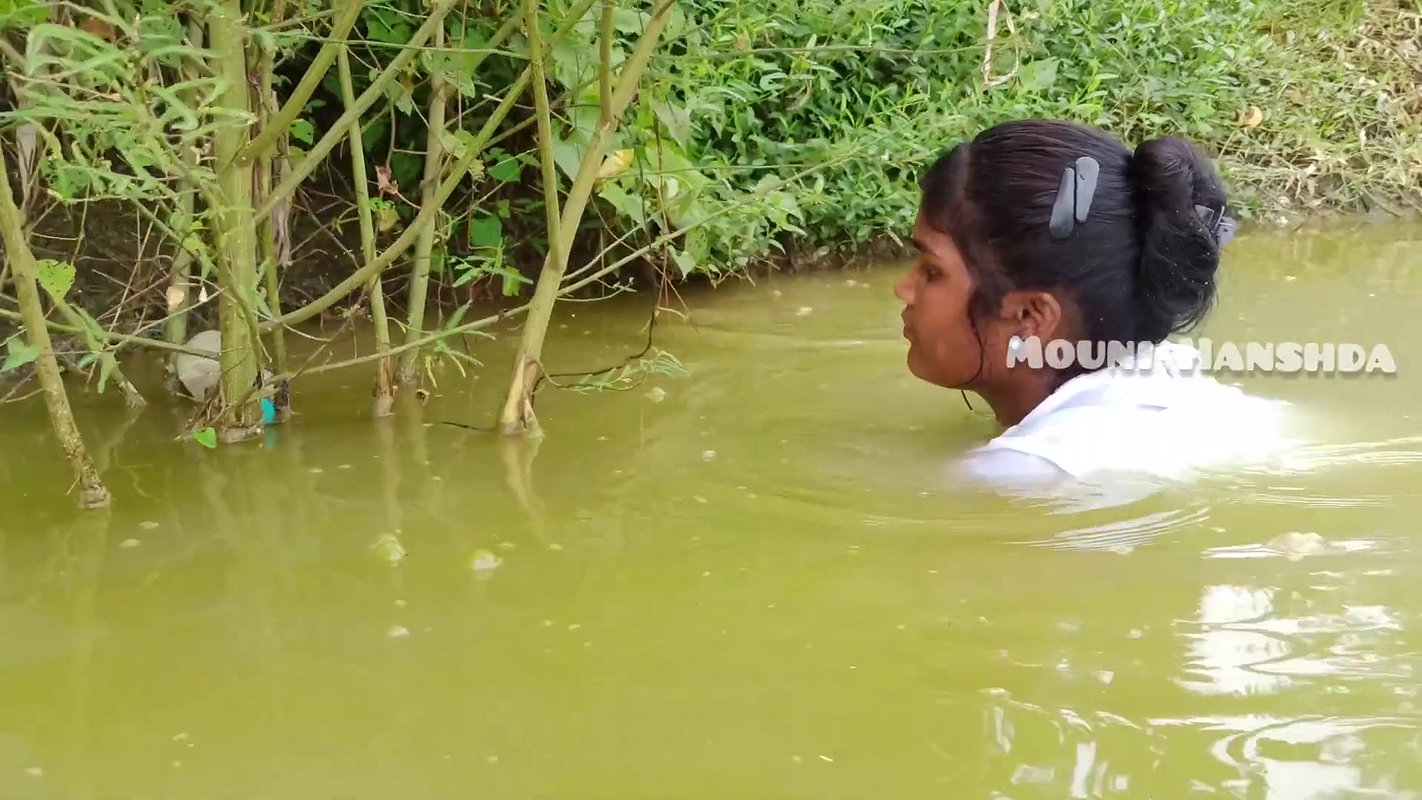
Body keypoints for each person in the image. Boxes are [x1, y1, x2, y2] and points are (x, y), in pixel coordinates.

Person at [894, 119, 1293, 489]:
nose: (903, 289)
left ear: (1031, 316)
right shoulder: (1225, 409)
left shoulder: (1020, 472)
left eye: (932, 271)